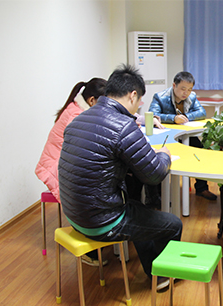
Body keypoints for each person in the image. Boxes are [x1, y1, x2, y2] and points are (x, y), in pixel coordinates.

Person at [59, 64, 183, 291]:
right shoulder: (123, 125)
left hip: (74, 215)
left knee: (138, 211)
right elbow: (154, 175)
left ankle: (152, 268)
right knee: (173, 224)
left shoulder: (79, 120)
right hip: (100, 221)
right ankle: (163, 276)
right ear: (133, 94)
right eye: (139, 101)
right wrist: (164, 155)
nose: (139, 106)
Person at [35, 78, 107, 266]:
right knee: (96, 189)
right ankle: (89, 246)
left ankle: (102, 236)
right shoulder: (77, 115)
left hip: (63, 162)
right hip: (57, 168)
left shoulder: (78, 109)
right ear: (92, 100)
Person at [149, 71, 217, 200]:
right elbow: (153, 115)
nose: (186, 93)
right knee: (161, 156)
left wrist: (186, 117)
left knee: (200, 151)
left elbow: (201, 112)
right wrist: (173, 118)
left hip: (185, 134)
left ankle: (201, 188)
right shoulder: (160, 97)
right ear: (174, 85)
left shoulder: (192, 97)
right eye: (183, 89)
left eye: (189, 89)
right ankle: (158, 195)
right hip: (166, 136)